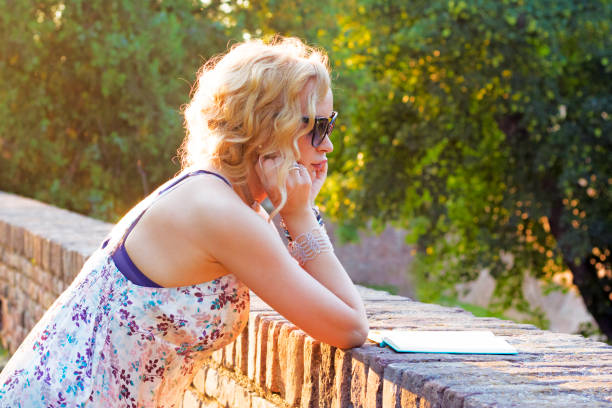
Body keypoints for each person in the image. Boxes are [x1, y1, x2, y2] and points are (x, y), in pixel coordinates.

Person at [0, 37, 368, 406]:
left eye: (330, 125)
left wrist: (297, 210)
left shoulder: (219, 196)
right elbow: (350, 327)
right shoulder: (220, 213)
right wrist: (299, 214)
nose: (328, 145)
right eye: (318, 127)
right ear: (269, 125)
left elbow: (333, 308)